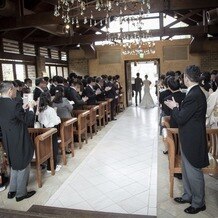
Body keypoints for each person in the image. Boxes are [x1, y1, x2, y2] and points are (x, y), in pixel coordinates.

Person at [165, 65, 209, 214]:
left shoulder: (194, 94)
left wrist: (174, 107)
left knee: (194, 172)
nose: (182, 78)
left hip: (193, 139)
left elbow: (182, 118)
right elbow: (187, 114)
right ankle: (188, 195)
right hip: (188, 137)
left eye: (183, 76)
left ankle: (198, 203)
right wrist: (178, 107)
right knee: (187, 169)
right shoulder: (194, 92)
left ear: (187, 78)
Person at [0, 81, 36, 202]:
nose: (16, 91)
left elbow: (11, 116)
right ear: (10, 90)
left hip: (7, 138)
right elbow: (29, 121)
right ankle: (21, 193)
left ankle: (12, 190)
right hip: (18, 137)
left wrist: (21, 108)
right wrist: (31, 108)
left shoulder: (3, 103)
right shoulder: (14, 104)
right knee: (23, 163)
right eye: (14, 89)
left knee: (14, 163)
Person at [38, 92, 61, 173]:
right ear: (49, 98)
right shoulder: (50, 110)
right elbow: (57, 121)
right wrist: (56, 114)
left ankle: (49, 166)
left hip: (44, 130)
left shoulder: (41, 109)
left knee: (47, 147)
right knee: (53, 147)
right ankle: (52, 167)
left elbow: (40, 120)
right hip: (51, 129)